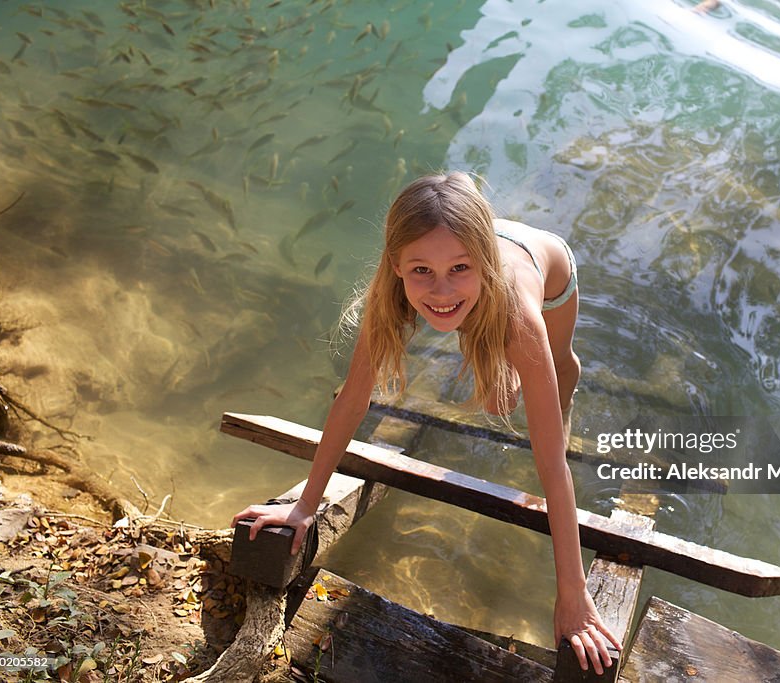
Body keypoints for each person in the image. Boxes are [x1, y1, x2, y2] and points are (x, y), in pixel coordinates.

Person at [232, 172, 622, 674]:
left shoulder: (522, 321)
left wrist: (573, 595)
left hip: (543, 268)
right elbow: (352, 402)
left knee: (553, 370)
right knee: (475, 335)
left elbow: (550, 464)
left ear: (479, 262)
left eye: (458, 269)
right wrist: (305, 505)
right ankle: (468, 234)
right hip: (478, 253)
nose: (438, 292)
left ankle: (523, 368)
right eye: (420, 271)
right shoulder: (393, 295)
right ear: (396, 265)